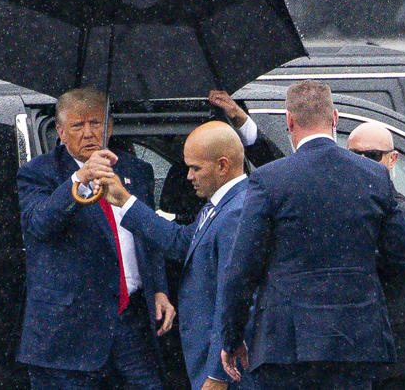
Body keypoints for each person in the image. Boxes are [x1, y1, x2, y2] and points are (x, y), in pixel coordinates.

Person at [219, 80, 405, 390]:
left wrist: (232, 338)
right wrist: (362, 287)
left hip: (286, 344)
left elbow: (242, 269)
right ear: (335, 118)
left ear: (289, 120)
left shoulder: (269, 179)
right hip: (354, 341)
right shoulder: (374, 175)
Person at [16, 88, 175, 390]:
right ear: (60, 131)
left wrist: (159, 290)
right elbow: (39, 226)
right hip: (69, 333)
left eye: (96, 123)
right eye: (77, 126)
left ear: (110, 127)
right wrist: (80, 179)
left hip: (130, 322)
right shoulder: (38, 173)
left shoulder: (136, 170)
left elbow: (147, 236)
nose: (88, 133)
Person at [102, 121, 248, 390]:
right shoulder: (220, 205)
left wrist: (217, 375)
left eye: (195, 168)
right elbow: (180, 242)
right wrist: (125, 200)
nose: (188, 176)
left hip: (224, 370)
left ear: (223, 166)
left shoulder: (236, 213)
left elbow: (232, 302)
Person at [347, 122, 405, 389]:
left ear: (392, 159)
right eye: (354, 155)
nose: (363, 162)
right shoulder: (337, 204)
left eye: (373, 156)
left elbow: (394, 273)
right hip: (357, 353)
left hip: (399, 358)